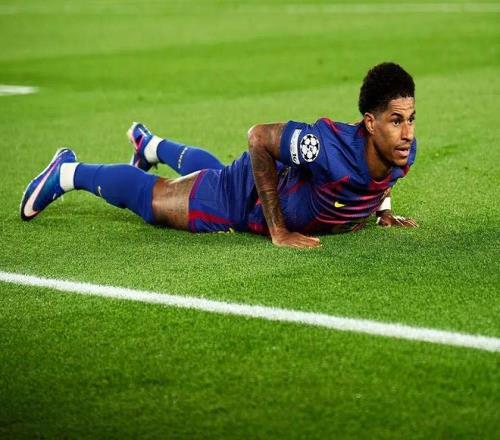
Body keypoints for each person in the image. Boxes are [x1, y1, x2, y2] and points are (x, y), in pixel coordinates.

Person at [20, 62, 418, 248]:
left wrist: (383, 212)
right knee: (155, 200)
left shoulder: (402, 149)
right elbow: (258, 137)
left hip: (267, 185)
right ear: (370, 123)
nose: (407, 133)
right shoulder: (325, 146)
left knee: (212, 174)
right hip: (244, 199)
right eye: (397, 120)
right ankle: (68, 171)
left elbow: (382, 176)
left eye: (411, 119)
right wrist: (279, 230)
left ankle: (150, 146)